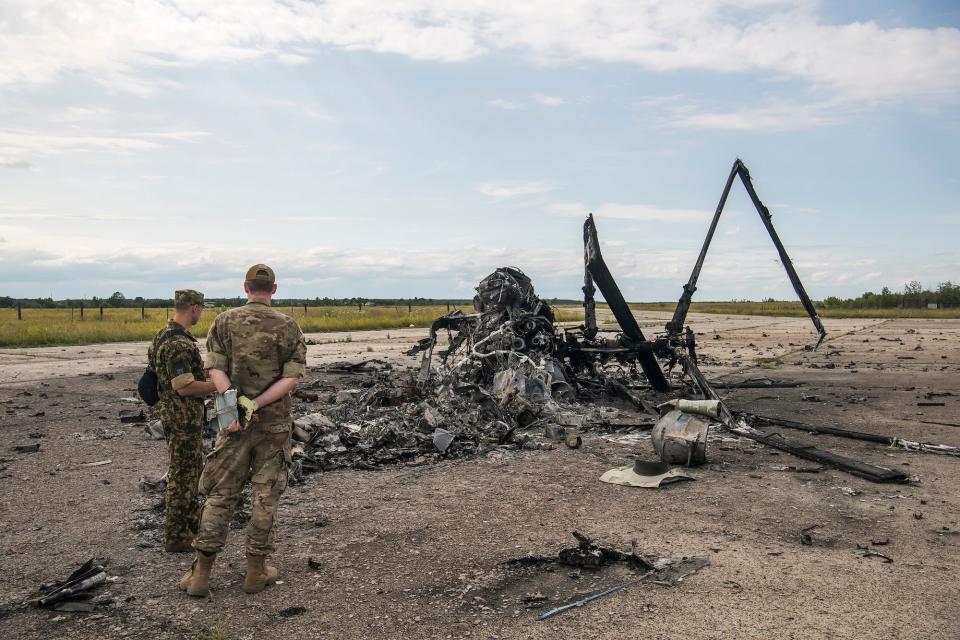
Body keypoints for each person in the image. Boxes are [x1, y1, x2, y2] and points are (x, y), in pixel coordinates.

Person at [179, 264, 306, 597]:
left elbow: (215, 370)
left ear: (245, 287)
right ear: (273, 289)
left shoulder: (224, 321)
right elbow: (291, 378)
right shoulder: (288, 326)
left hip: (232, 424)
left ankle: (201, 575)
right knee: (265, 497)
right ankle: (255, 572)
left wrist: (234, 403)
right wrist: (258, 404)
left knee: (220, 495)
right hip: (273, 424)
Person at [148, 289, 216, 553]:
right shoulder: (178, 343)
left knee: (187, 471)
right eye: (201, 308)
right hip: (182, 417)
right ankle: (178, 536)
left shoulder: (162, 335)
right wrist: (217, 385)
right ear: (194, 308)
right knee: (183, 475)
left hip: (174, 415)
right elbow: (184, 386)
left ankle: (187, 529)